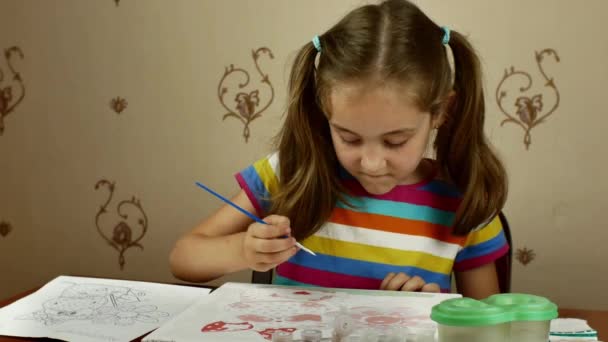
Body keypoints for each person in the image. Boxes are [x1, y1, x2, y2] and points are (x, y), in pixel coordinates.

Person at [170, 0, 509, 299]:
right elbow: (183, 258)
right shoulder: (290, 172)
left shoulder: (465, 199)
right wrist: (242, 250)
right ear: (323, 111)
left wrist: (428, 312)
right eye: (349, 137)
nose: (372, 163)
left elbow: (489, 326)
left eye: (395, 141)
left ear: (441, 113)